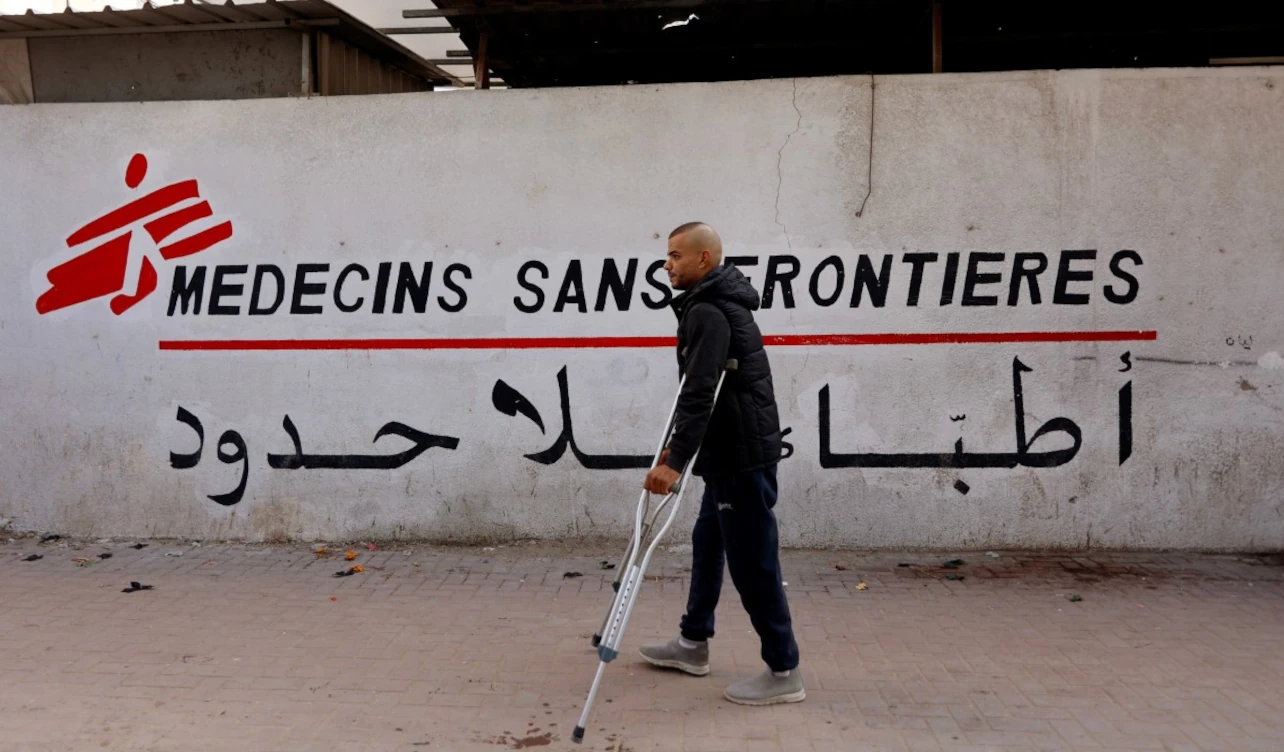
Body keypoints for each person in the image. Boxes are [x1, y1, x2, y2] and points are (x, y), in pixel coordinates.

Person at [639, 221, 803, 706]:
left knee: (753, 561)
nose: (666, 266)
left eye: (674, 256)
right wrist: (681, 449)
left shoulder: (708, 311)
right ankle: (693, 642)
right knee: (708, 541)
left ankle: (783, 669)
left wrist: (675, 462)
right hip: (729, 451)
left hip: (739, 457)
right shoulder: (711, 304)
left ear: (703, 260)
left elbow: (699, 391)